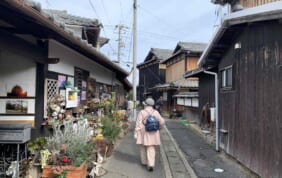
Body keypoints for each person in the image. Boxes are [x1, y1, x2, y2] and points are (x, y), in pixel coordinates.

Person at [135, 98, 165, 172]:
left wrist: (136, 132)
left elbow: (138, 123)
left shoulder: (142, 112)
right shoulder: (156, 112)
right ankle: (151, 164)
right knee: (151, 148)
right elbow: (162, 122)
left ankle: (144, 162)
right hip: (153, 133)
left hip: (144, 132)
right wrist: (159, 128)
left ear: (146, 104)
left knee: (143, 147)